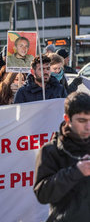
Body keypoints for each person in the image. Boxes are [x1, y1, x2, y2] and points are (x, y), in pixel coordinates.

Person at [33, 92, 90, 221]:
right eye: (82, 121)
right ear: (67, 119)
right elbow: (42, 194)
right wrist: (76, 172)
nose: (88, 126)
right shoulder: (51, 151)